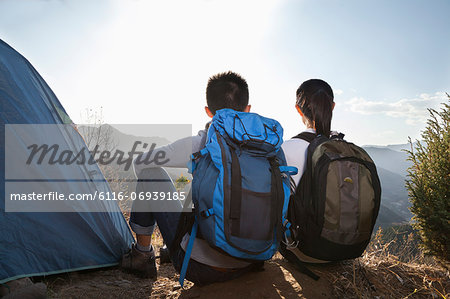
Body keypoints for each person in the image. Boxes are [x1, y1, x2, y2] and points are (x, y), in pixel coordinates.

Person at [120, 71, 263, 285]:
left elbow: (140, 162)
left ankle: (142, 255)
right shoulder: (266, 149)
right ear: (248, 110)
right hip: (254, 260)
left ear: (208, 112)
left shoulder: (200, 144)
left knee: (152, 174)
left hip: (203, 268)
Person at [280, 78, 335, 263]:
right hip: (341, 250)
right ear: (332, 107)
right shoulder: (342, 148)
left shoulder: (285, 149)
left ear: (298, 109)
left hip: (301, 250)